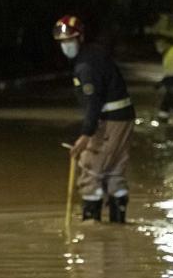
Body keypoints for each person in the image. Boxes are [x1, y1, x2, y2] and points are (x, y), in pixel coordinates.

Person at [53, 15, 135, 223]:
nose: (66, 45)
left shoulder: (86, 65)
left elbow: (93, 103)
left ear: (80, 38)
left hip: (111, 121)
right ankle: (117, 230)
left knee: (90, 168)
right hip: (121, 119)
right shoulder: (93, 55)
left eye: (69, 40)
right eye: (63, 42)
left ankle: (91, 232)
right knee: (114, 170)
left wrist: (85, 136)